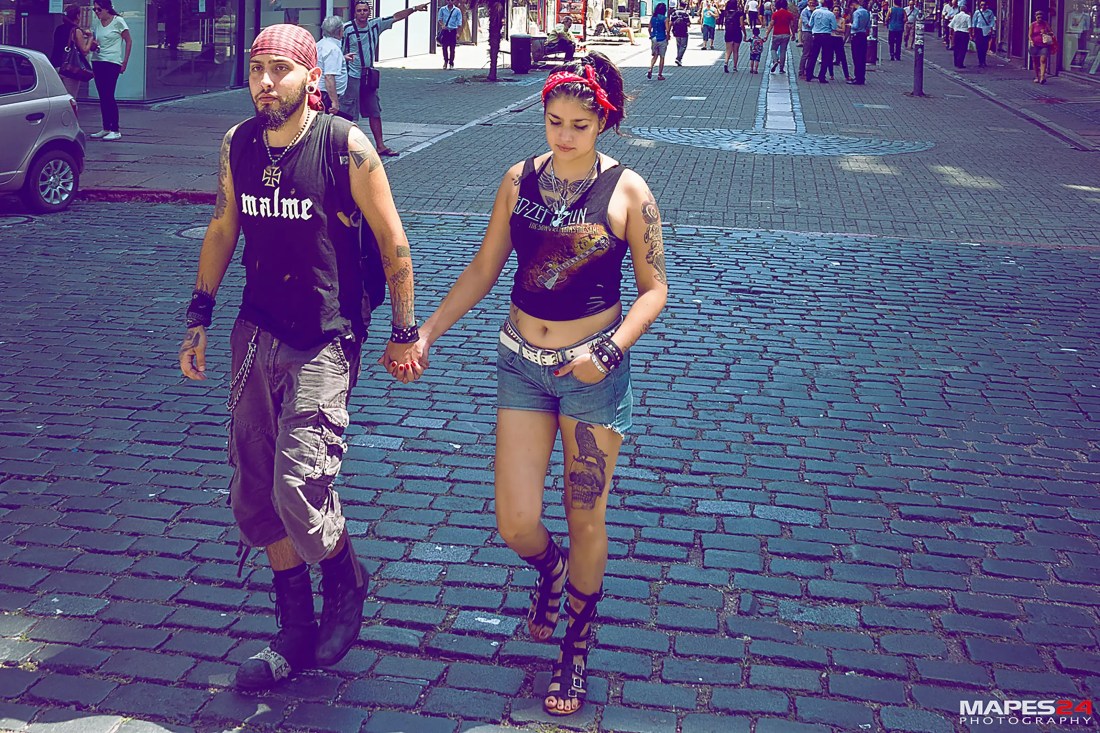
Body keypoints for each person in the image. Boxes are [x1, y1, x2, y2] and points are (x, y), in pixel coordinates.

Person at [414, 50, 668, 719]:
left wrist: (608, 351)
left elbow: (655, 289)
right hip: (520, 363)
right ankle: (550, 570)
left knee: (586, 516)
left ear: (604, 122)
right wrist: (429, 331)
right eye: (554, 121)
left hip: (591, 373)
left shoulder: (629, 192)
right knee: (516, 520)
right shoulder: (518, 179)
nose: (564, 135)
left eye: (579, 125)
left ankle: (574, 646)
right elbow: (484, 267)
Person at [179, 23, 424, 692]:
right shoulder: (238, 143)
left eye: (280, 70)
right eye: (257, 68)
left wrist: (405, 331)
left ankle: (345, 576)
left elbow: (394, 242)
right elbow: (223, 226)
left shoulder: (345, 146)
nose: (265, 82)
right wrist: (199, 317)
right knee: (255, 491)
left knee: (299, 484)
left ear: (311, 78)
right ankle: (293, 627)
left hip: (323, 336)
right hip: (255, 333)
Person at [342, 0, 430, 157]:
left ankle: (380, 146)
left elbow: (396, 17)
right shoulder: (347, 29)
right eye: (359, 10)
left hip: (369, 76)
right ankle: (347, 148)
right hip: (352, 76)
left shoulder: (375, 25)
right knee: (350, 114)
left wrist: (414, 8)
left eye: (365, 10)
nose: (362, 13)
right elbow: (339, 50)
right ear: (354, 13)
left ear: (369, 12)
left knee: (374, 111)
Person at [88, 0, 131, 141]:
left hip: (112, 62)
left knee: (108, 94)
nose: (96, 12)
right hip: (97, 61)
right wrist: (92, 44)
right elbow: (94, 42)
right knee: (102, 95)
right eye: (94, 9)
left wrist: (124, 62)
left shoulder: (118, 21)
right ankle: (106, 127)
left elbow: (128, 41)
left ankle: (115, 129)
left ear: (107, 9)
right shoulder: (96, 23)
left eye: (99, 9)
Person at [52, 4, 92, 98]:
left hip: (55, 65)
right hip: (69, 68)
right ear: (77, 16)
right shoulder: (76, 31)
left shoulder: (58, 29)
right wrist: (90, 37)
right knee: (70, 98)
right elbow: (84, 50)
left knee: (58, 98)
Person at [316, 16, 348, 118]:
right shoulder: (333, 49)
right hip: (327, 96)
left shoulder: (320, 44)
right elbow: (329, 77)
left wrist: (343, 59)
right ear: (340, 31)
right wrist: (335, 102)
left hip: (321, 93)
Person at [804, 0, 836, 81]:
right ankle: (822, 76)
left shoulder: (815, 12)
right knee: (825, 56)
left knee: (813, 56)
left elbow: (810, 24)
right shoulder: (831, 14)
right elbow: (834, 27)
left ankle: (808, 75)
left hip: (816, 36)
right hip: (826, 36)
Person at [767, 0, 796, 71]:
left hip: (776, 34)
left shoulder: (775, 14)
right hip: (786, 34)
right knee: (783, 51)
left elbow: (771, 25)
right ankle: (781, 68)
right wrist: (793, 34)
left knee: (773, 49)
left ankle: (775, 60)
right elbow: (792, 25)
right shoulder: (789, 14)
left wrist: (767, 34)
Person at [1029, 10, 1057, 83]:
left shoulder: (1045, 24)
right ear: (1035, 17)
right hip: (1035, 45)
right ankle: (1037, 76)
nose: (1039, 19)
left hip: (1044, 45)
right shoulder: (1033, 25)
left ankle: (1042, 77)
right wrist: (1031, 41)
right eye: (1038, 17)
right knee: (1035, 61)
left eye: (1041, 17)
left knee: (1043, 60)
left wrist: (1046, 32)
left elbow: (1051, 33)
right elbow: (1030, 35)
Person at [437, 0, 463, 68]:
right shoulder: (442, 9)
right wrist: (442, 25)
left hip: (453, 30)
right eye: (448, 0)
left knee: (452, 48)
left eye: (451, 0)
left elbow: (459, 22)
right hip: (445, 30)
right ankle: (445, 61)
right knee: (444, 47)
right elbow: (439, 19)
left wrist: (458, 33)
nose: (450, 1)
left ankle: (451, 62)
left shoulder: (457, 10)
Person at [848, 0, 870, 83]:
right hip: (863, 35)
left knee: (856, 57)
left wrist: (850, 25)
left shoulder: (856, 13)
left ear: (853, 4)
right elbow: (868, 25)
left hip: (856, 36)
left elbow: (855, 26)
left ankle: (857, 77)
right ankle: (862, 77)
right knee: (862, 57)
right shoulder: (866, 12)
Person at [723, 0, 747, 71]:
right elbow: (742, 25)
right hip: (737, 32)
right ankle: (735, 66)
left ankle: (726, 63)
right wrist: (745, 34)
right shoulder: (739, 13)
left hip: (728, 32)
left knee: (728, 49)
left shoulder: (726, 12)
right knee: (735, 50)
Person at [648, 3, 670, 78]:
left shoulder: (653, 18)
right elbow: (667, 30)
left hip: (654, 38)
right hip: (662, 38)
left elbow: (649, 28)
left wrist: (651, 35)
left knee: (655, 55)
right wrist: (667, 37)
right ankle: (660, 75)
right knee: (662, 57)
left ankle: (650, 68)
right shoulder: (665, 19)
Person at [829, 4, 851, 78]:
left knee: (843, 58)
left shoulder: (842, 20)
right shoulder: (830, 19)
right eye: (835, 10)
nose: (836, 12)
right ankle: (831, 74)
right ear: (832, 11)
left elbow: (843, 30)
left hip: (839, 39)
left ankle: (847, 75)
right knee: (830, 57)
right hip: (831, 38)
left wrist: (834, 29)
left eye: (838, 10)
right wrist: (838, 29)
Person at [971, 0, 995, 66]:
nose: (983, 6)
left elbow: (992, 21)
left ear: (986, 5)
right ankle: (980, 61)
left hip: (986, 29)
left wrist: (991, 29)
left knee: (985, 46)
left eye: (984, 5)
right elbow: (974, 22)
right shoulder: (977, 12)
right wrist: (973, 31)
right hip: (978, 30)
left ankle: (983, 60)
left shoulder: (990, 12)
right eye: (981, 5)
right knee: (979, 46)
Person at [797, 0, 817, 75]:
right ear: (808, 2)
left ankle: (808, 71)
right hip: (807, 32)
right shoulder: (805, 11)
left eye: (813, 3)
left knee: (812, 54)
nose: (812, 4)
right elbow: (807, 24)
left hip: (815, 32)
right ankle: (801, 71)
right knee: (806, 52)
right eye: (810, 2)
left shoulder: (816, 11)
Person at [949, 2, 971, 66]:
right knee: (963, 49)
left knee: (956, 48)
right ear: (966, 10)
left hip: (956, 33)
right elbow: (969, 27)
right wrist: (970, 35)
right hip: (964, 34)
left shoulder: (956, 16)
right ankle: (960, 63)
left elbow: (951, 26)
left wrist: (950, 34)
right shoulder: (967, 17)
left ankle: (956, 62)